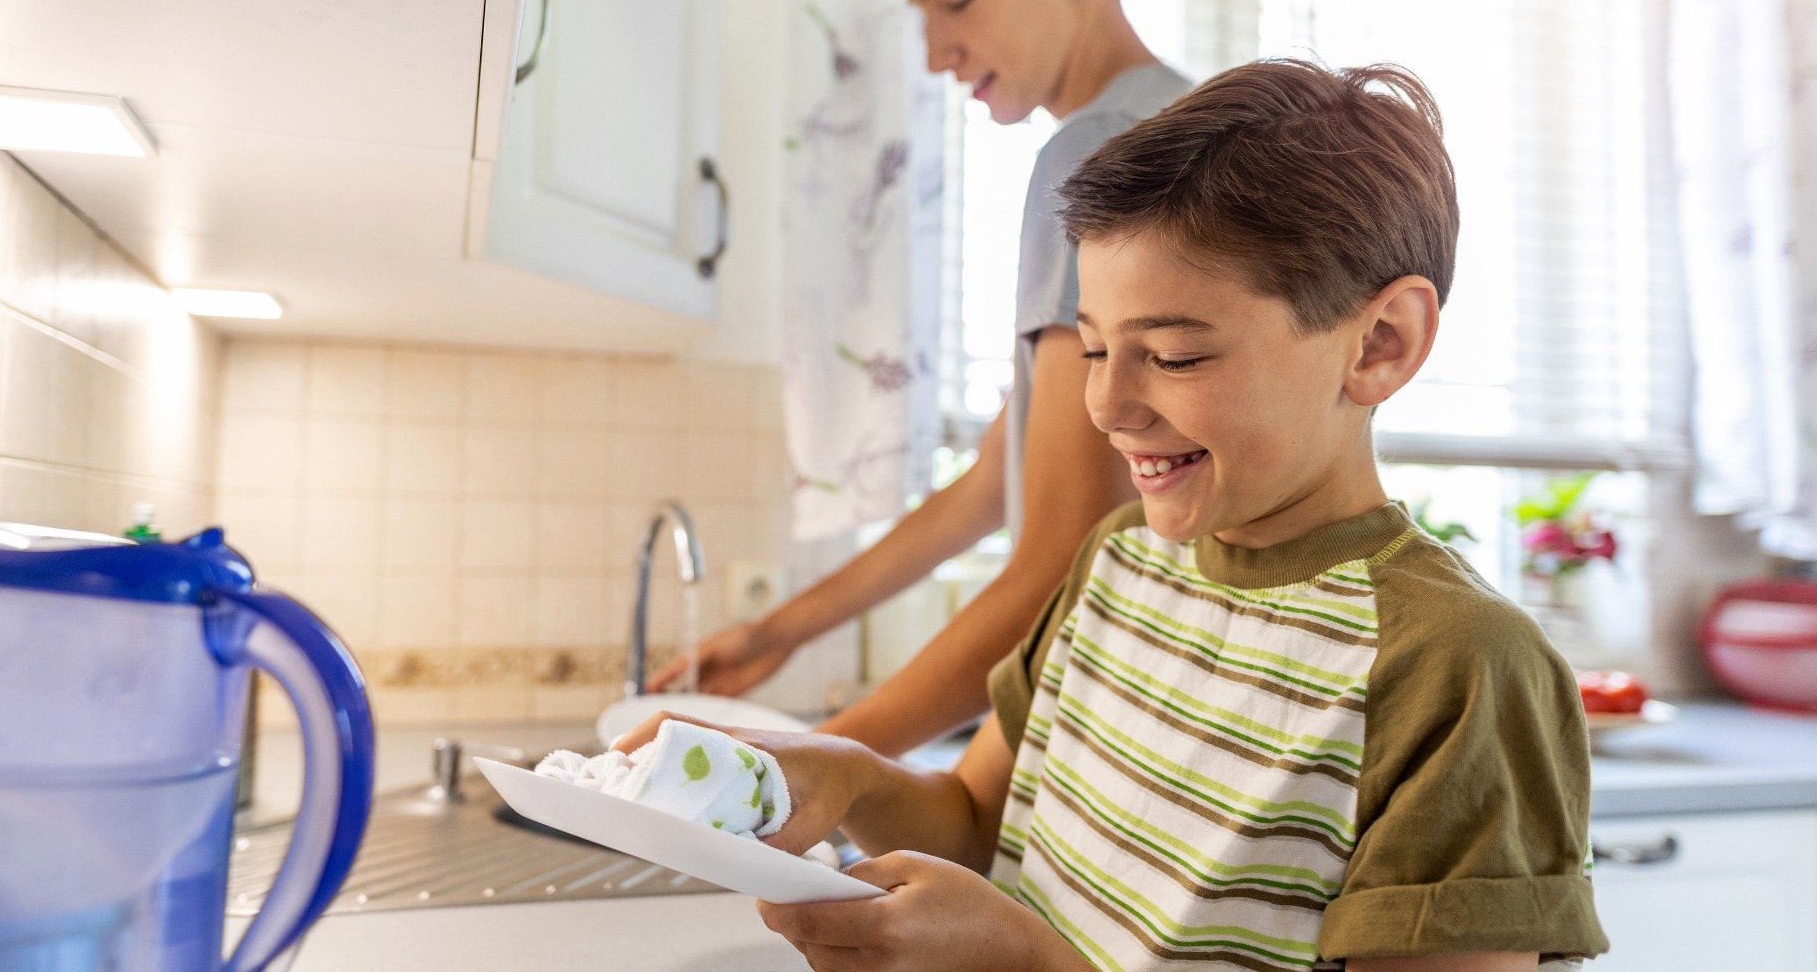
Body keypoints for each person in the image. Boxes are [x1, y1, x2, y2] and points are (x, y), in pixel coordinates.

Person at [623, 60, 1608, 971]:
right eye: (1094, 350)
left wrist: (1029, 963)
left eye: (1173, 355)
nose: (1106, 405)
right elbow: (975, 818)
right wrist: (852, 779)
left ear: (1380, 344)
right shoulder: (1119, 563)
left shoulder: (1458, 668)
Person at [650, 0, 1193, 757]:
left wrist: (820, 760)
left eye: (956, 0)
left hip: (1123, 720)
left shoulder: (1097, 155)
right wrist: (783, 630)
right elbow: (997, 480)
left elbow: (1066, 556)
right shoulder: (1183, 125)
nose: (938, 53)